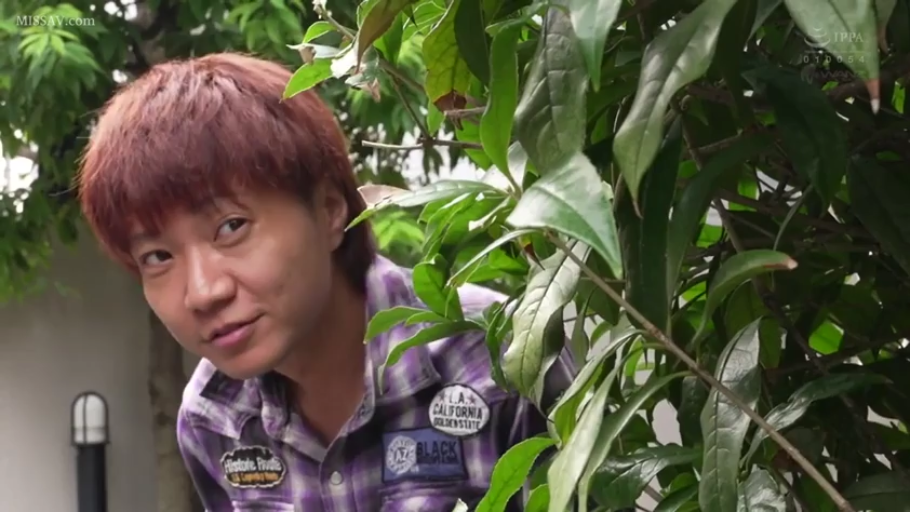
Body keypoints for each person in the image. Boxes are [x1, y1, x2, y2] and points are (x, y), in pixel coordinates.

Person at [76, 52, 574, 511]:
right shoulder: (214, 417)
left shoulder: (503, 358)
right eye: (158, 256)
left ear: (330, 210)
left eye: (231, 227)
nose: (204, 292)